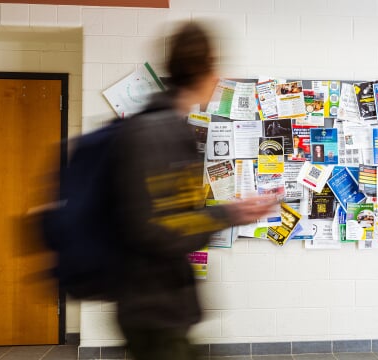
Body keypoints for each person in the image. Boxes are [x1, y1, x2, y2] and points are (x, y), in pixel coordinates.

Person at [110, 22, 278, 360]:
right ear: (202, 70)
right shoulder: (160, 132)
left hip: (158, 306)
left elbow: (171, 217)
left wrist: (227, 214)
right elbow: (158, 227)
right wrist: (229, 213)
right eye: (215, 67)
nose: (219, 78)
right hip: (154, 307)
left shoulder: (164, 125)